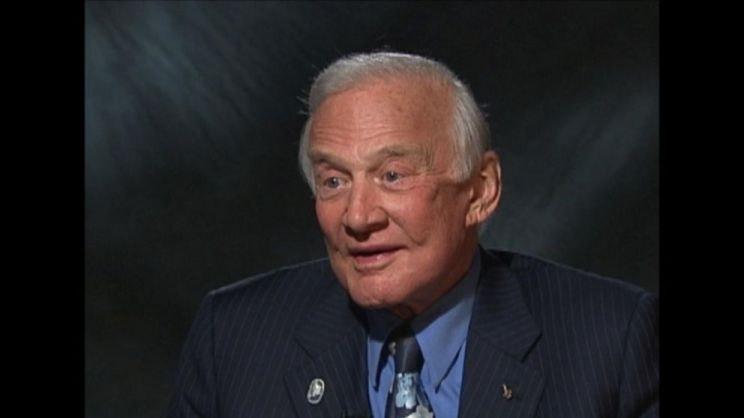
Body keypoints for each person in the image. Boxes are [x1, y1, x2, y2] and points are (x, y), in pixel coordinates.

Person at [167, 52, 658, 418]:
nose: (358, 217)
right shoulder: (233, 339)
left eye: (393, 176)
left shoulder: (610, 341)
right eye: (334, 181)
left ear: (481, 190)